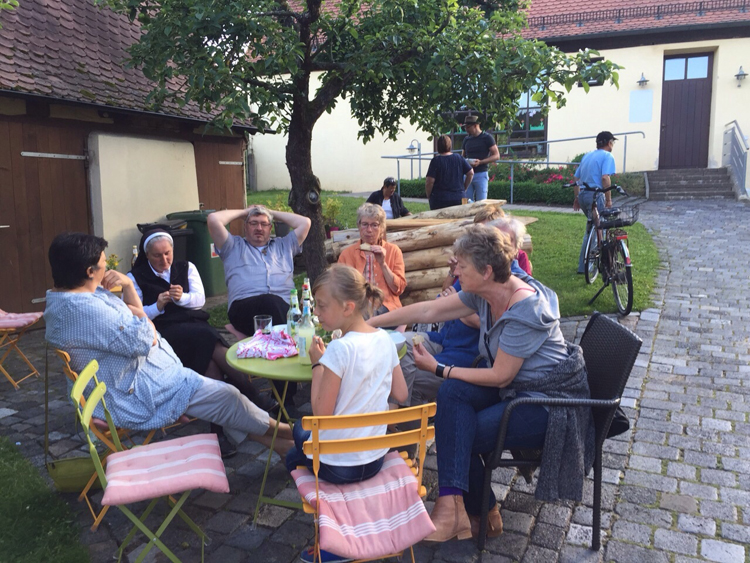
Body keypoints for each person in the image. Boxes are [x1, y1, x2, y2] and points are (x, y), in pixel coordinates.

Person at [369, 225, 594, 542]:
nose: (455, 271)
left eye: (462, 266)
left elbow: (500, 375)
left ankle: (477, 510)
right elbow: (430, 309)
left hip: (548, 402)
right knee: (454, 395)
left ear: (487, 271)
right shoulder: (486, 293)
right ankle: (462, 511)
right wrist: (367, 324)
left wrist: (440, 369)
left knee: (462, 430)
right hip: (516, 389)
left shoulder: (525, 309)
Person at [45, 232, 293, 456]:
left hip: (134, 378)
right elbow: (145, 339)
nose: (106, 269)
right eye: (102, 264)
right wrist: (140, 308)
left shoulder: (72, 298)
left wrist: (133, 300)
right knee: (225, 395)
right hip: (131, 393)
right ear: (89, 271)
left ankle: (281, 444)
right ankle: (289, 433)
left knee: (220, 395)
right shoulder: (85, 309)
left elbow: (136, 320)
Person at [285, 265, 408, 563]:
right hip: (374, 459)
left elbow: (321, 414)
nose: (318, 315)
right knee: (303, 437)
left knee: (296, 443)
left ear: (348, 306)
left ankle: (333, 544)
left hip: (340, 468)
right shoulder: (384, 340)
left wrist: (319, 362)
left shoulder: (339, 349)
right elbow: (402, 395)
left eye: (323, 307)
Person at [127, 228, 276, 457]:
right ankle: (251, 393)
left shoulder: (186, 267)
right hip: (165, 333)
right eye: (157, 256)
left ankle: (218, 434)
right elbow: (135, 317)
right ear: (147, 255)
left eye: (168, 253)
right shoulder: (133, 278)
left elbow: (199, 301)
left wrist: (182, 298)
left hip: (194, 323)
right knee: (209, 339)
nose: (164, 260)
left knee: (212, 364)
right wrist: (157, 306)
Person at [208, 204, 311, 411]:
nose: (259, 228)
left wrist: (270, 212)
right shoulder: (232, 246)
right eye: (253, 223)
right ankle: (287, 397)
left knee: (282, 314)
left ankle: (283, 398)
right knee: (276, 309)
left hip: (283, 311)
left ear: (271, 228)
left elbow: (305, 222)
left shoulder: (284, 246)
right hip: (244, 309)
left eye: (264, 224)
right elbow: (213, 219)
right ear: (245, 227)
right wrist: (245, 211)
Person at [337, 203, 406, 316]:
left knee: (366, 316)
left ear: (382, 228)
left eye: (374, 225)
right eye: (365, 224)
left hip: (386, 306)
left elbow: (398, 289)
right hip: (357, 306)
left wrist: (383, 264)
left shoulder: (393, 251)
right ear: (359, 226)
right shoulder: (347, 254)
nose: (369, 230)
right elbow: (340, 288)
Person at [574, 131, 617, 274]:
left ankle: (583, 266)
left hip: (583, 196)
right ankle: (596, 265)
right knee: (600, 228)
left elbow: (576, 179)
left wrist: (576, 198)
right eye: (613, 143)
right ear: (609, 143)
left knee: (591, 229)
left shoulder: (587, 155)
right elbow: (605, 178)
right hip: (596, 195)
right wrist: (609, 200)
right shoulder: (607, 156)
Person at [426, 135, 474, 210]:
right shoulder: (459, 158)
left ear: (438, 146)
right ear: (450, 145)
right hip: (460, 197)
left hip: (439, 199)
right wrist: (464, 188)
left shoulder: (435, 161)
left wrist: (429, 195)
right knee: (461, 220)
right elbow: (470, 173)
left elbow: (429, 181)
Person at [462, 115, 500, 202]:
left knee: (482, 202)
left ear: (475, 125)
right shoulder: (466, 139)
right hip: (467, 174)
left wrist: (481, 162)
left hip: (481, 173)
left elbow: (496, 155)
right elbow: (462, 156)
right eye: (465, 127)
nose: (466, 129)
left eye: (468, 127)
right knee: (466, 201)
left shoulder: (487, 138)